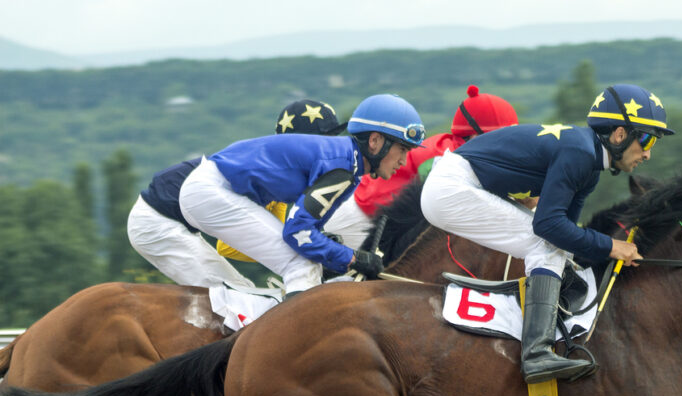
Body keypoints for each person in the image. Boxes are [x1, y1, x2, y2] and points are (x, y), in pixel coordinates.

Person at [420, 83, 672, 383]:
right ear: (619, 134)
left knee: (556, 248)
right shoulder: (580, 152)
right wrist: (611, 247)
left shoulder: (589, 165)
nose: (648, 154)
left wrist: (603, 252)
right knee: (547, 246)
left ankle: (545, 335)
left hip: (459, 184)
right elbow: (549, 229)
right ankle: (536, 353)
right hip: (451, 187)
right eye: (647, 140)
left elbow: (566, 233)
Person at [178, 94, 424, 295]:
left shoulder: (349, 165)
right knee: (301, 263)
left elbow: (306, 230)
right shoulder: (342, 168)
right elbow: (297, 232)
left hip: (209, 190)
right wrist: (353, 258)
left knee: (306, 261)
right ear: (375, 140)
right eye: (402, 149)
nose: (404, 160)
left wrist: (339, 253)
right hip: (211, 192)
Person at [126, 99, 346, 288]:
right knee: (235, 295)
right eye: (325, 141)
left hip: (172, 216)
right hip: (157, 223)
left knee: (244, 291)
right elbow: (228, 248)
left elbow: (276, 235)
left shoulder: (282, 169)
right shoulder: (274, 175)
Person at [322, 85, 519, 251]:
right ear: (476, 135)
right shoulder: (450, 156)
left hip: (369, 211)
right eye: (500, 138)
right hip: (360, 217)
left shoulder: (454, 147)